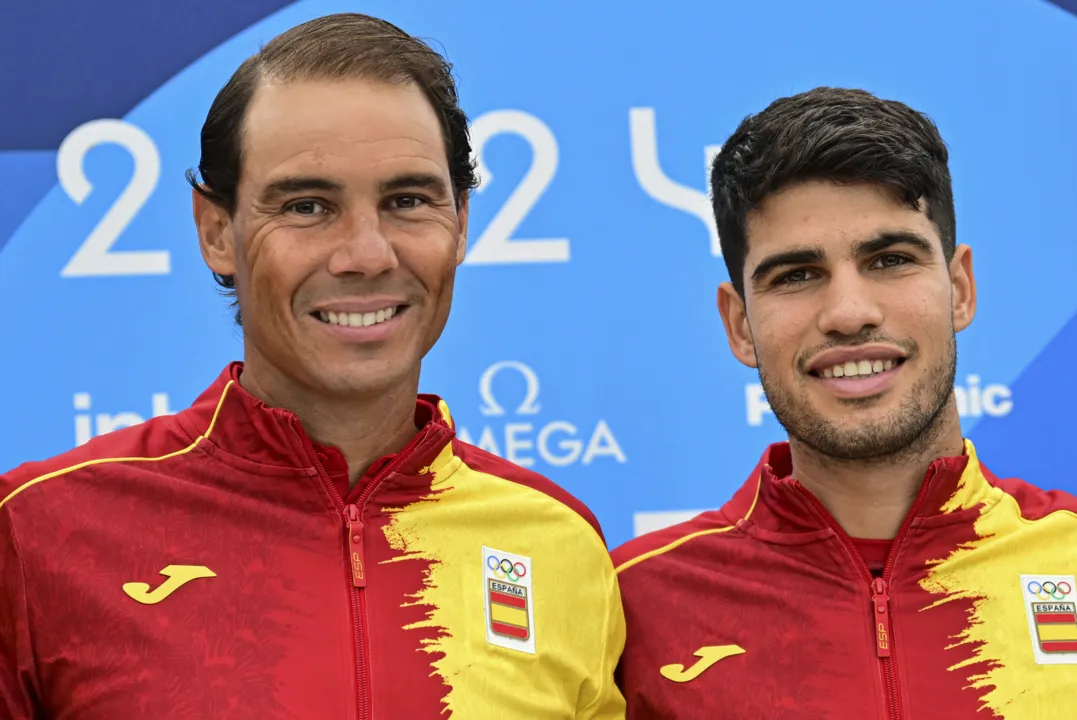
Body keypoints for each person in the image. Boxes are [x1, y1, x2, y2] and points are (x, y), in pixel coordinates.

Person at [0, 14, 625, 719]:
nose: (366, 253)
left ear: (461, 223)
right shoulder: (36, 532)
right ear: (216, 232)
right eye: (307, 206)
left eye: (408, 201)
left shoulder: (559, 543)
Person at [611, 87, 1077, 718]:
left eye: (889, 260)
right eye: (796, 275)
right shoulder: (631, 606)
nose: (850, 314)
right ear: (740, 324)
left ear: (960, 288)